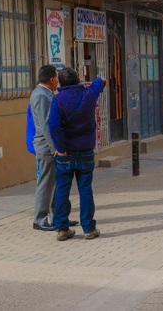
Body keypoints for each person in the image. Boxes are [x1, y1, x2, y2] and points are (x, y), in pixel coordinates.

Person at [48, 68, 106, 241]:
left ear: (60, 83)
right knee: (85, 188)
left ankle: (61, 228)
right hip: (86, 150)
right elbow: (98, 82)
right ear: (79, 79)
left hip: (65, 152)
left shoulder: (57, 100)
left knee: (62, 189)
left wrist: (60, 147)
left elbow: (53, 126)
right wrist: (101, 80)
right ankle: (88, 228)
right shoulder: (89, 94)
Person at [28, 65, 62, 231]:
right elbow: (46, 124)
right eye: (56, 77)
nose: (58, 81)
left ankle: (57, 217)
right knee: (46, 183)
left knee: (54, 183)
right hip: (45, 146)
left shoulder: (46, 93)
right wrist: (54, 147)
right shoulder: (41, 95)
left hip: (48, 145)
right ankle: (40, 218)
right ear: (51, 79)